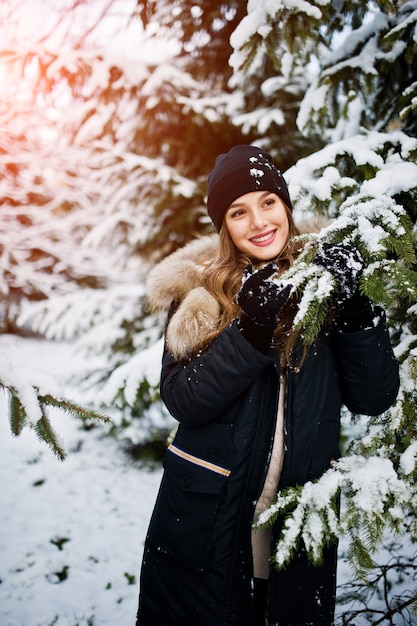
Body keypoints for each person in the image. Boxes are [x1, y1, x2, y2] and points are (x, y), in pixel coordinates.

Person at [135, 145, 400, 626]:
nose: (258, 221)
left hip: (296, 519)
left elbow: (375, 396)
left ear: (286, 206)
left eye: (268, 202)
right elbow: (183, 398)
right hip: (209, 519)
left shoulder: (324, 283)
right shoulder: (201, 293)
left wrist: (357, 311)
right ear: (224, 226)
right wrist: (249, 331)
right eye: (239, 211)